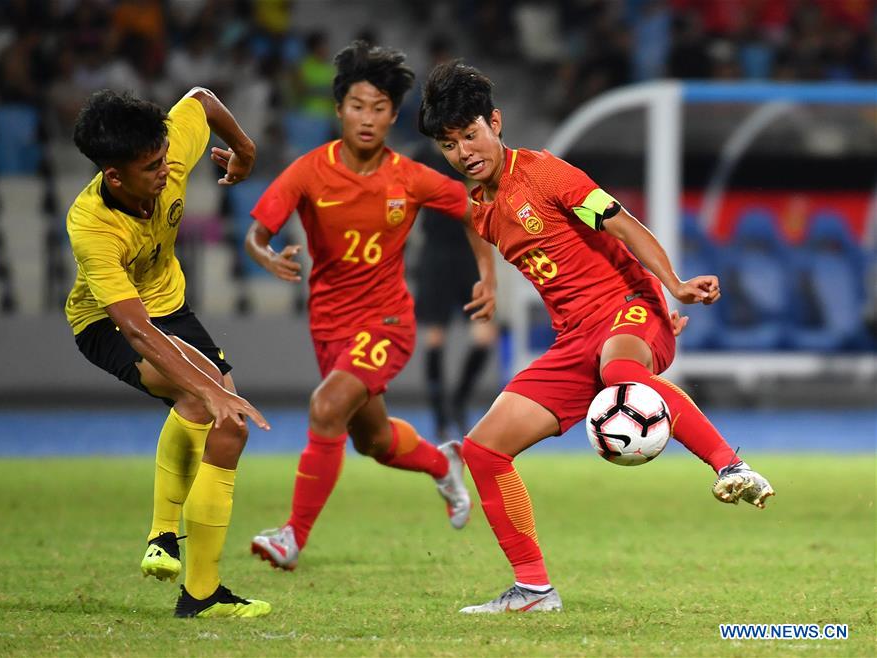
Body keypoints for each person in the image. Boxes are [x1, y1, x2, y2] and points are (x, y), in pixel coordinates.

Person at [418, 60, 775, 614]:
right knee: (483, 450)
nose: (464, 151)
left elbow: (623, 224)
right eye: (449, 144)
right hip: (573, 340)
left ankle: (731, 466)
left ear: (496, 122)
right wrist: (487, 282)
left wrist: (672, 289)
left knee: (621, 375)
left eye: (471, 134)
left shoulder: (545, 173)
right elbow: (477, 228)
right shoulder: (483, 209)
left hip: (629, 309)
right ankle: (534, 590)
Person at [245, 41, 496, 571]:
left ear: (393, 115)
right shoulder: (309, 172)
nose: (367, 118)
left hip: (387, 322)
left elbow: (475, 210)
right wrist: (266, 256)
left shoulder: (410, 177)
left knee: (326, 406)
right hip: (329, 326)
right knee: (373, 440)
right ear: (339, 109)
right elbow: (256, 234)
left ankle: (293, 536)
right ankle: (443, 461)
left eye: (379, 108)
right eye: (357, 106)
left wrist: (488, 277)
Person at [66, 88, 271, 618]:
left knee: (221, 418)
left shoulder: (167, 149)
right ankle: (183, 563)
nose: (166, 170)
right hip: (108, 324)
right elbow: (136, 332)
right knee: (219, 409)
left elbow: (201, 100)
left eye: (164, 159)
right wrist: (206, 387)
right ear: (115, 176)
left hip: (171, 308)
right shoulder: (90, 224)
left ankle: (185, 571)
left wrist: (244, 150)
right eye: (152, 166)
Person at [414, 141, 498, 442]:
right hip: (435, 255)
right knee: (435, 338)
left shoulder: (473, 155)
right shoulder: (421, 158)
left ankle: (458, 402)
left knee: (485, 337)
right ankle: (439, 418)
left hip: (469, 254)